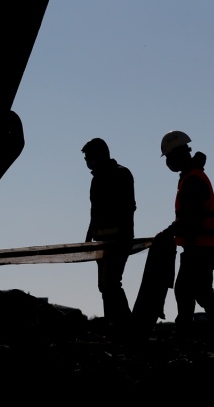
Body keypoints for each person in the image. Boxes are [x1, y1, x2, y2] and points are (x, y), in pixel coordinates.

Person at [159, 130, 214, 336]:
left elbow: (191, 216)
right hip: (200, 245)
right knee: (191, 290)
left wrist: (168, 232)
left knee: (198, 291)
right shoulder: (192, 176)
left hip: (200, 246)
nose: (169, 163)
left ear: (178, 154)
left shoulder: (193, 180)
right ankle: (192, 331)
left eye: (169, 158)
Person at [81, 138, 136, 333]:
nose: (88, 162)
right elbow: (94, 211)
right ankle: (114, 324)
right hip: (101, 242)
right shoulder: (96, 179)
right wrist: (88, 238)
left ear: (100, 156)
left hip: (118, 241)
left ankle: (126, 325)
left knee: (111, 283)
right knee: (104, 286)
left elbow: (129, 208)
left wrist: (126, 239)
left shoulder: (121, 174)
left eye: (89, 158)